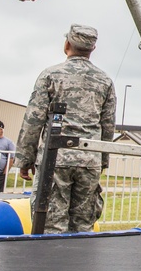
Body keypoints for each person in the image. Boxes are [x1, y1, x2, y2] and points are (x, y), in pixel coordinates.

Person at [15, 24, 116, 233]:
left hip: (56, 158)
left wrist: (25, 159)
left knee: (51, 224)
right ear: (92, 49)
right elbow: (108, 125)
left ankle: (51, 265)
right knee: (83, 225)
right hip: (89, 159)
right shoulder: (105, 80)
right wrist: (102, 160)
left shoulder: (51, 75)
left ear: (67, 44)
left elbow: (33, 120)